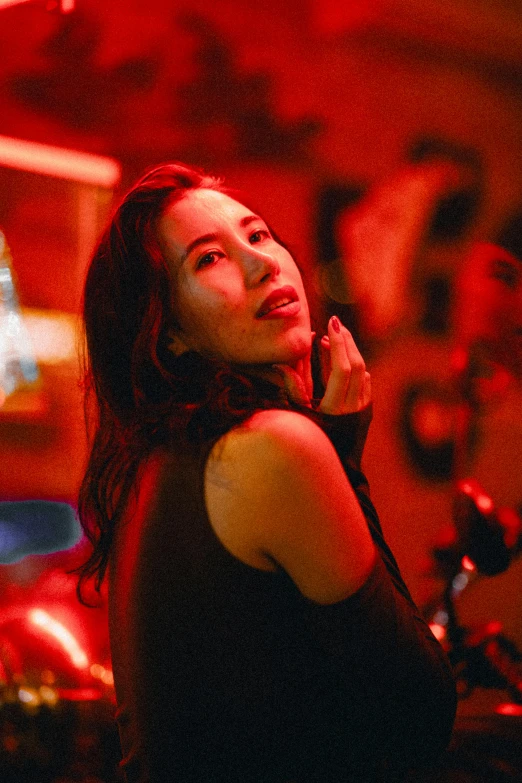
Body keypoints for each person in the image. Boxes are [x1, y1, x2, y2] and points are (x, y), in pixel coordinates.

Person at [76, 162, 457, 783]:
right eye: (208, 259)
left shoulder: (160, 465)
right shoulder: (271, 448)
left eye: (257, 235)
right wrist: (342, 455)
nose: (263, 263)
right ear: (167, 332)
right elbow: (420, 716)